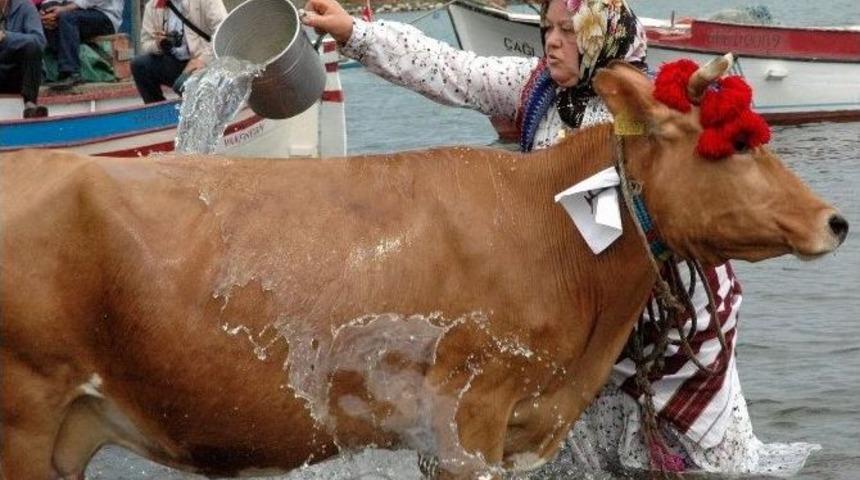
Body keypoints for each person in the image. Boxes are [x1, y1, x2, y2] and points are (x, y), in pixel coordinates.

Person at [301, 0, 820, 476]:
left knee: (705, 464)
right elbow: (453, 70)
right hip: (567, 319)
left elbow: (707, 202)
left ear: (603, 38)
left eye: (569, 31)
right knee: (577, 462)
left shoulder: (656, 116)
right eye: (547, 27)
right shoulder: (537, 91)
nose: (551, 41)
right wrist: (355, 33)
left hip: (661, 318)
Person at [131, 0, 226, 103]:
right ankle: (157, 111)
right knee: (139, 64)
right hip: (176, 61)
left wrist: (203, 60)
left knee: (185, 85)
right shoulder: (153, 6)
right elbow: (145, 43)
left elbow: (224, 32)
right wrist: (158, 45)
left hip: (206, 62)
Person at [40, 0, 123, 90]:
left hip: (105, 15)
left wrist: (65, 8)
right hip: (75, 12)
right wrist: (46, 10)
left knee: (67, 17)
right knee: (48, 15)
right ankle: (52, 73)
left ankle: (71, 72)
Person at [0, 0, 48, 117]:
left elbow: (39, 41)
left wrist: (6, 37)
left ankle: (30, 104)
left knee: (32, 46)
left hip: (18, 74)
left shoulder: (25, 7)